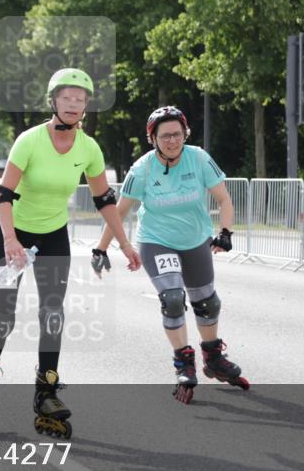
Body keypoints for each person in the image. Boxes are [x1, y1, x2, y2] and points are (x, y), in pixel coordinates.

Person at [0, 67, 141, 439]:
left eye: (80, 99)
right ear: (54, 102)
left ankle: (47, 392)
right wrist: (10, 240)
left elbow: (106, 200)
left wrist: (123, 243)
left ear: (86, 107)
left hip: (54, 236)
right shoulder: (29, 140)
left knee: (53, 314)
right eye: (67, 98)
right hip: (14, 233)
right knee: (4, 318)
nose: (73, 104)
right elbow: (3, 196)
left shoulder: (89, 148)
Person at [93, 106, 247, 404]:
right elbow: (120, 212)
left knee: (206, 301)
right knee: (174, 298)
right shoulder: (143, 169)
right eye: (165, 136)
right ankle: (183, 361)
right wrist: (101, 248)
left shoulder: (198, 158)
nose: (173, 141)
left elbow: (224, 198)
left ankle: (213, 356)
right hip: (156, 241)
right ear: (153, 138)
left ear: (185, 134)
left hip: (195, 240)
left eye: (177, 134)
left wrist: (225, 232)